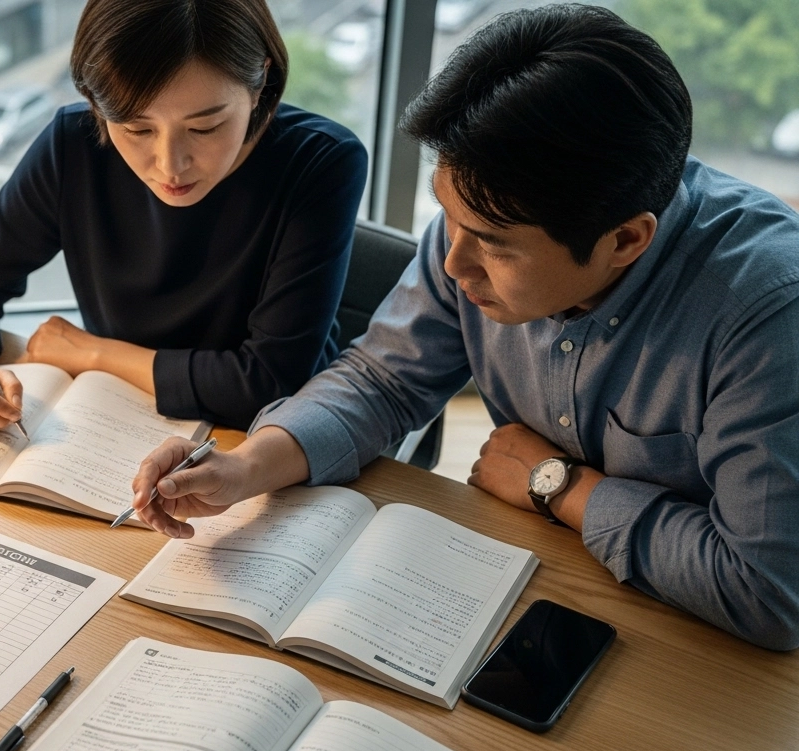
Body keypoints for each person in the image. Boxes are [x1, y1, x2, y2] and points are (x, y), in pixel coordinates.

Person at [130, 4, 799, 651]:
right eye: (446, 216)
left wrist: (559, 486)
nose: (453, 261)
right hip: (530, 587)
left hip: (691, 648)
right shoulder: (482, 211)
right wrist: (245, 467)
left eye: (493, 244)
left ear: (625, 240)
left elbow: (766, 591)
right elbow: (381, 381)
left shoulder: (768, 315)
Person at [0, 0, 368, 432]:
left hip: (267, 437)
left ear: (260, 82)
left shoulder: (322, 162)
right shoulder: (74, 144)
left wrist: (96, 354)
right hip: (120, 413)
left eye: (204, 127)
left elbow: (267, 382)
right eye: (137, 129)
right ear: (97, 103)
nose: (170, 165)